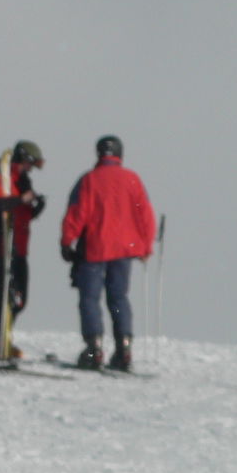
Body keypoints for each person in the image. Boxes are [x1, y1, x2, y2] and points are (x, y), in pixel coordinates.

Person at [60, 135, 156, 371]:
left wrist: (66, 241)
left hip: (95, 247)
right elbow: (145, 214)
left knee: (90, 298)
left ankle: (94, 347)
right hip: (125, 250)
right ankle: (124, 347)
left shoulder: (89, 180)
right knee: (119, 297)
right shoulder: (132, 180)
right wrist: (146, 246)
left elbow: (77, 213)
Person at [0, 141, 46, 359]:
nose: (30, 169)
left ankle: (3, 338)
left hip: (19, 247)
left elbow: (20, 215)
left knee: (19, 298)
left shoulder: (21, 181)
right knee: (5, 294)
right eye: (29, 164)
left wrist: (36, 209)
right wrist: (21, 199)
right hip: (0, 244)